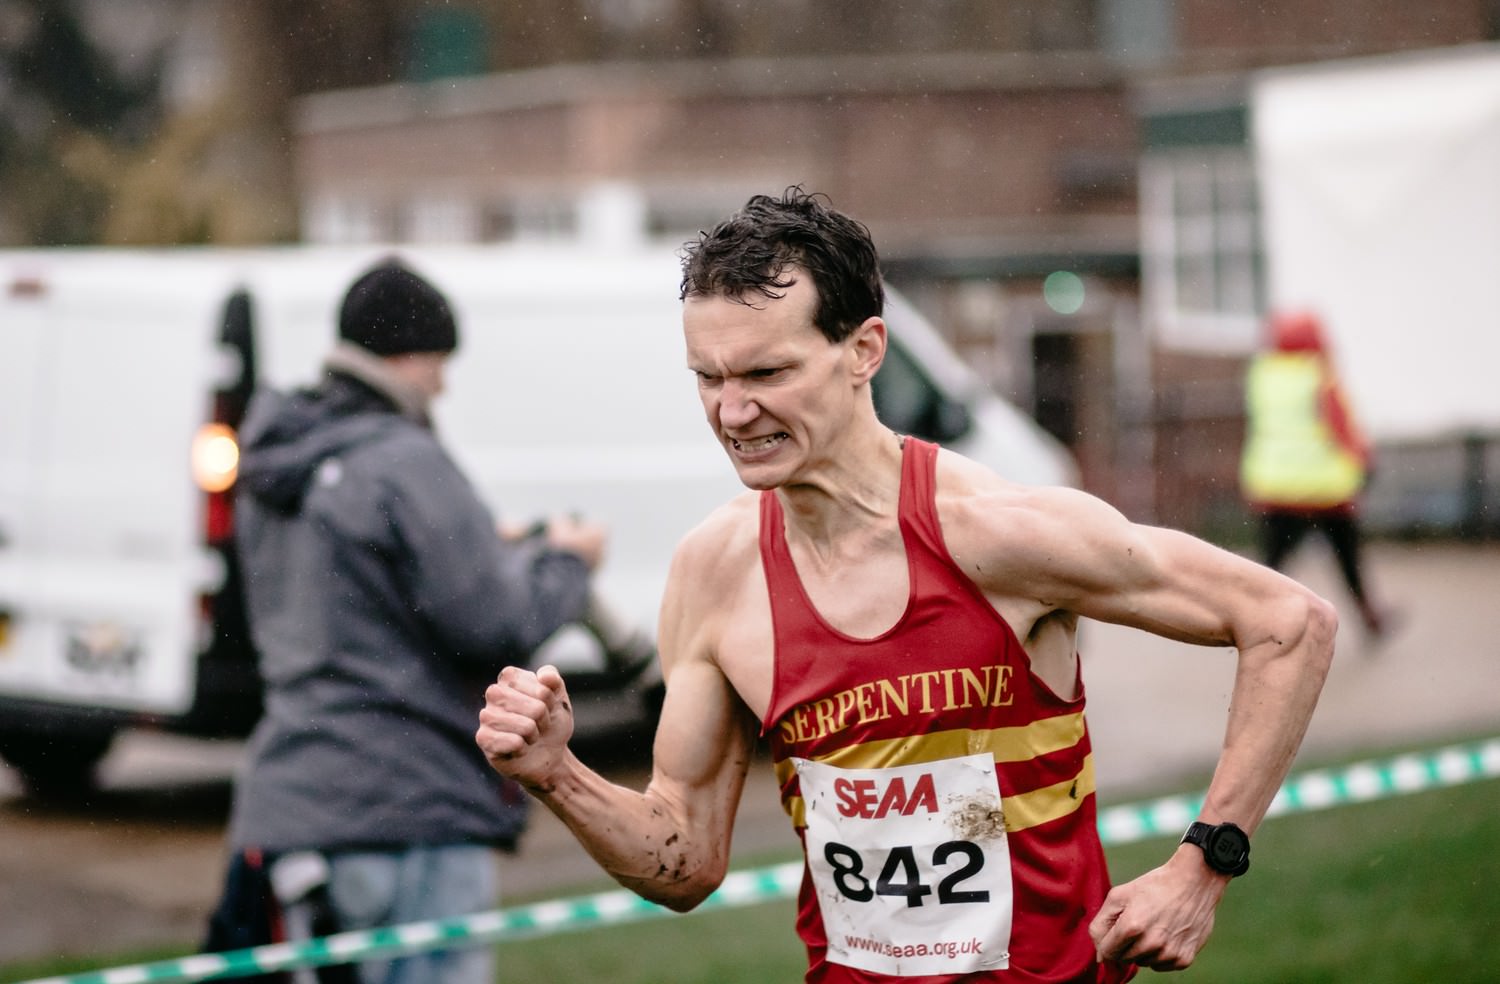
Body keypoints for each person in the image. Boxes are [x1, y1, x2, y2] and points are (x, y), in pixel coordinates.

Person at [476, 189, 1336, 982]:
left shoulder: (995, 532)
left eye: (766, 374)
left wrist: (1202, 868)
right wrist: (558, 773)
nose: (731, 414)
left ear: (864, 351)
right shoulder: (716, 573)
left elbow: (1287, 621)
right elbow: (686, 860)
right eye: (710, 378)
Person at [212, 257, 607, 984]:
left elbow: (359, 593)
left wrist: (497, 548)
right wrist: (568, 563)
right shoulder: (406, 461)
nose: (443, 385)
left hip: (292, 808)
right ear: (408, 355)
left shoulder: (272, 463)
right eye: (439, 365)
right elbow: (496, 623)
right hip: (409, 808)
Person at [1240, 308, 1390, 639]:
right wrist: (1365, 460)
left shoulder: (1262, 375)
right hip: (1325, 490)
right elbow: (1342, 429)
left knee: (1269, 566)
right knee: (1348, 557)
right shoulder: (1319, 377)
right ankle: (1368, 615)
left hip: (1276, 487)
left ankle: (1246, 618)